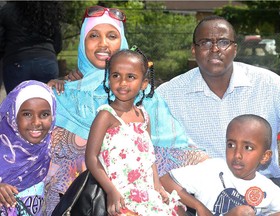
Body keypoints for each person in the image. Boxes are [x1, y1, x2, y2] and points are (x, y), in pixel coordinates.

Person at [45, 5, 207, 215]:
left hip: (143, 191)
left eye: (112, 36)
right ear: (82, 42)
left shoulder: (147, 99)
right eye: (93, 35)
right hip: (90, 200)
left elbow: (164, 151)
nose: (103, 43)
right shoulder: (63, 92)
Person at [156, 15, 280, 197]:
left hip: (264, 188)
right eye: (205, 43)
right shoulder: (167, 95)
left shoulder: (271, 86)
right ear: (193, 50)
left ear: (235, 49)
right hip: (199, 194)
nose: (215, 49)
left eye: (223, 42)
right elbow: (154, 154)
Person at [86, 48, 185, 216]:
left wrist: (158, 187)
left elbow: (149, 157)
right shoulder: (106, 116)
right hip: (120, 195)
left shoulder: (143, 116)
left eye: (130, 77)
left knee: (178, 211)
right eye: (116, 75)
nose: (122, 83)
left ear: (144, 83)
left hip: (146, 193)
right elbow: (91, 157)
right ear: (108, 79)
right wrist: (111, 191)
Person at [161, 114, 280, 216]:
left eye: (248, 147)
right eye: (231, 145)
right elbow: (166, 180)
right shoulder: (213, 168)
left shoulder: (268, 188)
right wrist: (199, 206)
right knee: (243, 212)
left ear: (265, 156)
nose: (237, 154)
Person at [0, 80, 56, 216]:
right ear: (13, 115)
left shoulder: (53, 147)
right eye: (27, 114)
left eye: (44, 114)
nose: (36, 122)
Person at [0, 1, 64, 94]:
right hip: (47, 62)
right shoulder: (49, 9)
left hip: (17, 62)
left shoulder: (6, 10)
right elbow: (58, 44)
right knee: (45, 102)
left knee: (17, 103)